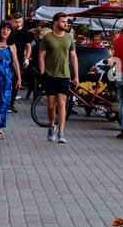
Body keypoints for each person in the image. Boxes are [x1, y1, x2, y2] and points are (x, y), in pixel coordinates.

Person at [39, 12, 80, 144]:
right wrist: (42, 73)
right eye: (63, 22)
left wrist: (76, 76)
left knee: (62, 102)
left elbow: (73, 57)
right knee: (51, 105)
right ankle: (52, 126)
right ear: (55, 22)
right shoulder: (47, 38)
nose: (66, 24)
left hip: (65, 75)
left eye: (66, 22)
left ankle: (61, 132)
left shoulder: (68, 38)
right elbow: (41, 56)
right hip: (50, 74)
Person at [6, 13, 31, 112]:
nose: (18, 24)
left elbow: (28, 46)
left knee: (17, 81)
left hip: (19, 59)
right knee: (7, 80)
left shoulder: (25, 32)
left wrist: (27, 58)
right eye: (16, 22)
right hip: (7, 59)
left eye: (20, 22)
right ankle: (5, 102)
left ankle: (11, 103)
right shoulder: (8, 31)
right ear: (11, 21)